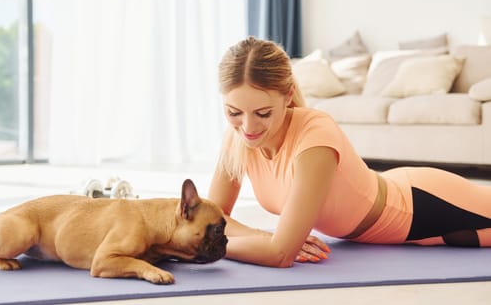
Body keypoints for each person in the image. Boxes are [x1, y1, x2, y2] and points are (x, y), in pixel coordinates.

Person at [207, 36, 491, 268]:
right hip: (393, 221)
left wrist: (206, 247)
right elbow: (211, 220)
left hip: (421, 203)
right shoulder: (236, 139)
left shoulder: (315, 136)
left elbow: (280, 254)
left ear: (288, 95)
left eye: (263, 113)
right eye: (233, 112)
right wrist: (256, 237)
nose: (248, 127)